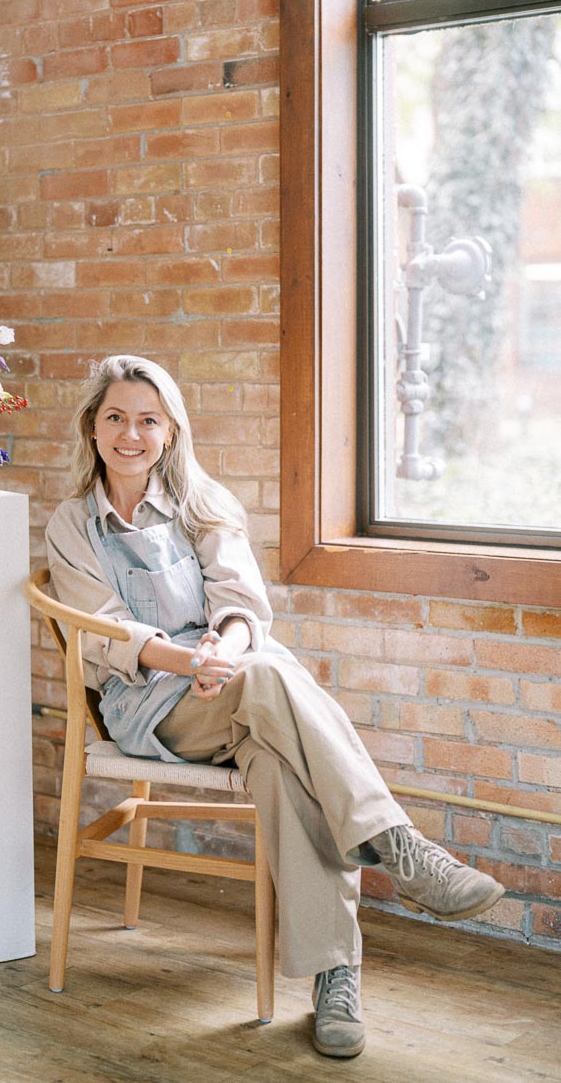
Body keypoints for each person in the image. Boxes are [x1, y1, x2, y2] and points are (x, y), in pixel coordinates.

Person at [45, 354, 504, 1059]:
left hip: (237, 683)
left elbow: (240, 604)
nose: (129, 433)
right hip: (155, 706)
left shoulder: (205, 505)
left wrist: (223, 649)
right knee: (268, 679)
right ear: (93, 427)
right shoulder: (73, 525)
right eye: (115, 417)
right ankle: (398, 847)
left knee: (282, 765)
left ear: (170, 432)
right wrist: (197, 660)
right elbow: (106, 631)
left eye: (147, 419)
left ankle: (334, 976)